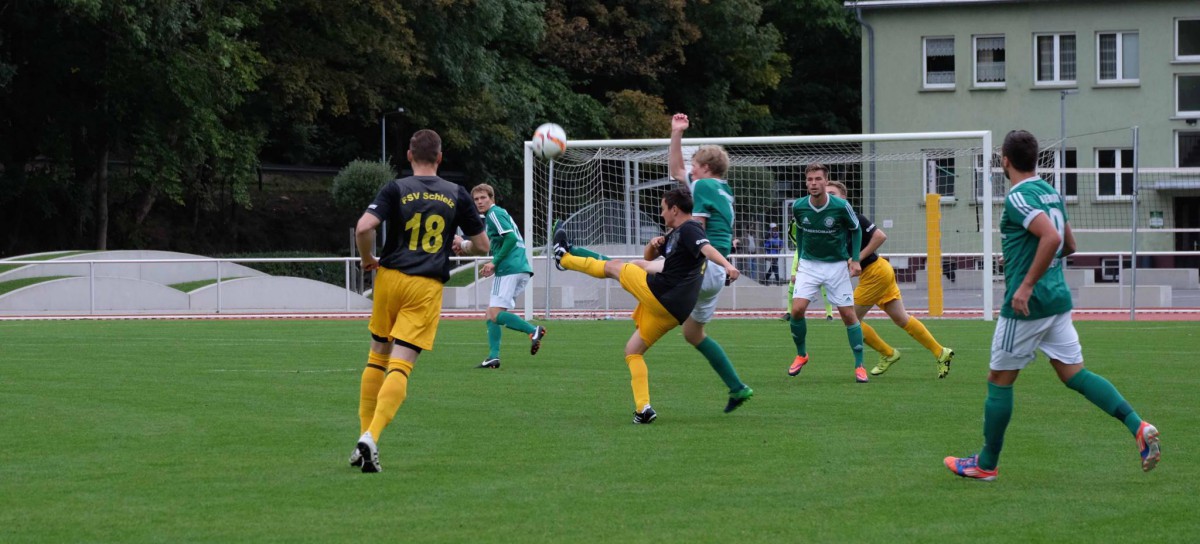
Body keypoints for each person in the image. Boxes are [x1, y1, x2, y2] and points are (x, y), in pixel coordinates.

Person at [945, 130, 1160, 481]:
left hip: (1028, 306)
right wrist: (1029, 259)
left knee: (999, 379)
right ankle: (1138, 426)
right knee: (1074, 374)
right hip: (1057, 299)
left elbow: (1053, 237)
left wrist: (1027, 283)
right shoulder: (1050, 192)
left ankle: (986, 463)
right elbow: (1069, 244)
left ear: (1005, 161)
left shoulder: (1017, 196)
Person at [349, 129, 490, 473]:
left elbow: (364, 227)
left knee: (377, 357)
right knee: (401, 366)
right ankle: (371, 436)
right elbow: (483, 246)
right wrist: (462, 245)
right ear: (440, 158)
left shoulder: (395, 188)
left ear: (409, 156)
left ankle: (361, 439)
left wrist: (367, 259)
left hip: (389, 280)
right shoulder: (457, 194)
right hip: (425, 286)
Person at [553, 187, 746, 422]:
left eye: (663, 209)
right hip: (673, 312)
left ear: (675, 209)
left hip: (661, 294)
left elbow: (706, 248)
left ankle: (564, 258)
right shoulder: (675, 234)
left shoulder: (690, 228)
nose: (661, 214)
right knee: (632, 351)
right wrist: (653, 245)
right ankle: (643, 409)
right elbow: (648, 258)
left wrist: (728, 265)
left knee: (614, 267)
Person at [667, 113, 754, 410]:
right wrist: (676, 133)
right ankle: (737, 388)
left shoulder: (703, 187)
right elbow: (677, 170)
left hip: (702, 266)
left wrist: (674, 249)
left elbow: (697, 227)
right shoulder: (723, 189)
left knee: (642, 275)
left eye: (694, 165)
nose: (689, 170)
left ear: (705, 168)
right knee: (693, 333)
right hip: (717, 270)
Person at [824, 180, 954, 378]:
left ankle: (888, 353)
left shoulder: (854, 217)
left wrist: (858, 258)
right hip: (877, 272)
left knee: (850, 319)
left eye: (833, 194)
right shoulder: (831, 224)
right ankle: (940, 352)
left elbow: (880, 236)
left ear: (844, 198)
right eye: (826, 194)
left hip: (876, 273)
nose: (829, 198)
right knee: (902, 319)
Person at [786, 163, 867, 383]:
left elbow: (856, 229)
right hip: (809, 265)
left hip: (836, 265)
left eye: (818, 179)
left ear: (826, 180)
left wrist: (855, 259)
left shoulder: (841, 206)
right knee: (797, 310)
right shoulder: (799, 206)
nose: (814, 183)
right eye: (810, 179)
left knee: (848, 316)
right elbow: (800, 233)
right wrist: (800, 259)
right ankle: (801, 354)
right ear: (806, 182)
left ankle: (859, 365)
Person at [465, 184, 546, 370]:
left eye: (483, 198)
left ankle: (533, 330)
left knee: (494, 314)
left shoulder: (494, 214)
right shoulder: (496, 215)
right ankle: (493, 357)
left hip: (510, 269)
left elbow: (510, 238)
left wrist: (495, 262)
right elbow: (505, 242)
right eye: (476, 199)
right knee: (491, 314)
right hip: (517, 267)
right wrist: (495, 263)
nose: (479, 202)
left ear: (492, 198)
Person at [787, 220, 835, 320]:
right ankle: (789, 312)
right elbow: (791, 233)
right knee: (793, 280)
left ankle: (829, 314)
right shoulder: (798, 221)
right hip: (802, 254)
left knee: (824, 283)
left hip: (819, 255)